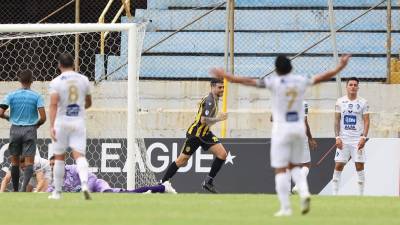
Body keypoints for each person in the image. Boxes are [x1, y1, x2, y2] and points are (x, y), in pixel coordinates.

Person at [211, 54, 351, 216]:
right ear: (291, 68)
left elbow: (247, 81)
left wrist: (226, 75)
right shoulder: (300, 80)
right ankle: (304, 193)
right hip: (298, 129)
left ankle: (285, 207)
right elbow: (323, 76)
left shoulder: (274, 82)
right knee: (295, 166)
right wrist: (340, 67)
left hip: (281, 129)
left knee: (281, 169)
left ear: (276, 70)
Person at [161, 78, 228, 193]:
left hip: (205, 133)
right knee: (182, 161)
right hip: (196, 135)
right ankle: (163, 183)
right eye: (219, 87)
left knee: (222, 154)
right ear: (212, 86)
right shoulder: (211, 101)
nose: (222, 90)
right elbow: (203, 120)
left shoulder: (213, 99)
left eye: (223, 87)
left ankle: (208, 182)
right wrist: (219, 119)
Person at [48, 53, 92, 200]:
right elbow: (89, 102)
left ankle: (57, 192)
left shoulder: (56, 82)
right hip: (78, 121)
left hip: (61, 121)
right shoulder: (84, 80)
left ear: (59, 65)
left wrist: (51, 126)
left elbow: (53, 104)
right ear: (74, 65)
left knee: (60, 157)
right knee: (79, 155)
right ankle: (85, 184)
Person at [0, 70, 46, 192]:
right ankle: (23, 189)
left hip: (15, 129)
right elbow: (43, 117)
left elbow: (0, 113)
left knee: (14, 161)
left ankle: (15, 190)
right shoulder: (37, 96)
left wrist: (10, 117)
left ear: (19, 81)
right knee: (29, 162)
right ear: (32, 81)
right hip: (30, 130)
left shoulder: (11, 95)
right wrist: (36, 125)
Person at [47, 156, 176, 194]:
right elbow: (49, 191)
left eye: (55, 164)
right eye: (51, 165)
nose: (53, 167)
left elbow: (91, 178)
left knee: (129, 195)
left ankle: (163, 187)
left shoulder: (74, 169)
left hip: (99, 189)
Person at [332, 77, 369, 196]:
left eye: (355, 85)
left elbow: (367, 121)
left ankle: (361, 196)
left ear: (358, 87)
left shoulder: (363, 102)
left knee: (359, 166)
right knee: (338, 165)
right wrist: (337, 137)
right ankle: (334, 195)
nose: (353, 87)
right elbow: (336, 120)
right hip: (343, 140)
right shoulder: (339, 101)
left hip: (357, 140)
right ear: (346, 87)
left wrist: (363, 137)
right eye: (350, 85)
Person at [292, 101, 317, 194]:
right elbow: (304, 122)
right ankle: (297, 185)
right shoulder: (303, 103)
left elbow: (272, 118)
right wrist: (310, 138)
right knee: (306, 164)